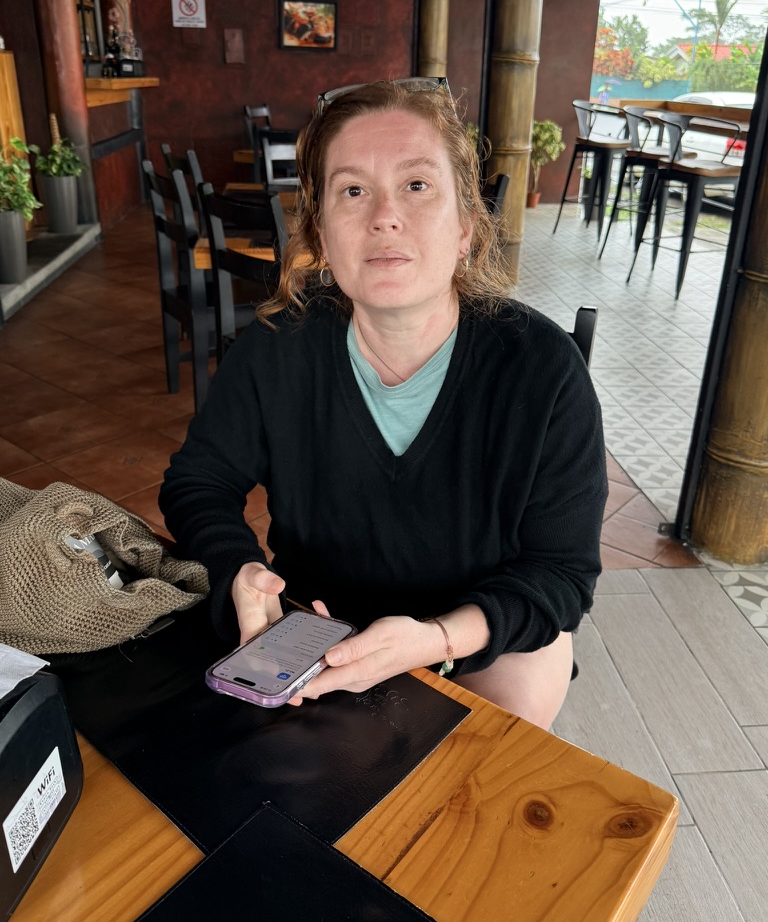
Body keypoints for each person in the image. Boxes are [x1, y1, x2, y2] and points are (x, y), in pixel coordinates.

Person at [159, 77, 607, 729]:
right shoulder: (276, 349)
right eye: (353, 191)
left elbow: (560, 574)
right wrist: (238, 569)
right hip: (316, 629)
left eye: (417, 185)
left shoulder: (542, 368)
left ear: (465, 227)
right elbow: (200, 482)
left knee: (470, 772)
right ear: (321, 232)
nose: (384, 216)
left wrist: (438, 639)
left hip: (480, 635)